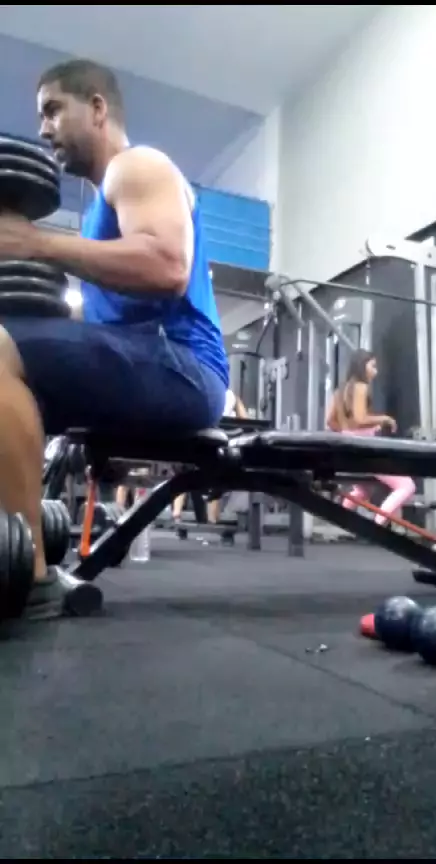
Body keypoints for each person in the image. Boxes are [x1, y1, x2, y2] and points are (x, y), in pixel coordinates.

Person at [0, 58, 228, 620]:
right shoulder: (100, 211)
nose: (44, 129)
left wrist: (35, 243)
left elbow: (167, 267)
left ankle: (30, 579)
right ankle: (22, 543)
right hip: (152, 364)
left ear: (97, 108)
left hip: (186, 368)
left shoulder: (137, 166)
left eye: (54, 110)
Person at [325, 349, 415, 525]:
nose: (376, 371)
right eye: (372, 366)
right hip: (364, 449)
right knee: (406, 486)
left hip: (348, 448)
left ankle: (340, 523)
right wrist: (384, 419)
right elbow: (360, 419)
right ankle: (378, 524)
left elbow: (330, 421)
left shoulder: (340, 391)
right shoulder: (360, 387)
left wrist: (347, 432)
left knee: (362, 491)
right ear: (362, 366)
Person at [172, 387, 248, 524]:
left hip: (194, 441)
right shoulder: (231, 395)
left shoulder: (199, 389)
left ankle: (177, 513)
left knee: (183, 472)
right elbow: (244, 420)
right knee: (216, 475)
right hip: (216, 445)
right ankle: (212, 518)